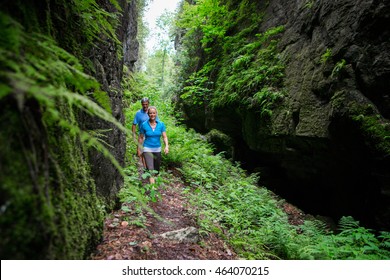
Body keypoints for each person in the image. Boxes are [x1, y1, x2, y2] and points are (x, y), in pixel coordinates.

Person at [137, 106, 169, 184]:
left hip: (157, 149)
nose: (152, 114)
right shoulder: (144, 125)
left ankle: (152, 181)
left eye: (154, 113)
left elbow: (164, 136)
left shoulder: (161, 124)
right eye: (150, 113)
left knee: (156, 170)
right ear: (148, 114)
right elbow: (141, 138)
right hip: (147, 149)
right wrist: (139, 149)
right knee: (151, 169)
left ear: (156, 114)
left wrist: (167, 146)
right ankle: (153, 190)